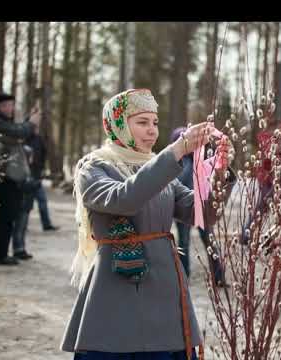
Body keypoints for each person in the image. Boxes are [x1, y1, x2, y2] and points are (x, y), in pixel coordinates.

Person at [61, 88, 234, 360]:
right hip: (114, 292)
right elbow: (125, 199)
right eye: (142, 122)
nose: (152, 130)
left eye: (154, 122)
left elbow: (200, 214)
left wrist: (221, 174)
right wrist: (175, 151)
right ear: (118, 125)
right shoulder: (93, 168)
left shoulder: (159, 167)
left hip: (164, 294)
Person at [169, 127, 226, 286]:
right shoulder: (181, 164)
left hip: (198, 206)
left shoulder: (195, 161)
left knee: (200, 241)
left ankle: (213, 276)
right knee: (190, 242)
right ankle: (187, 277)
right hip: (188, 208)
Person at [0, 92, 40, 265]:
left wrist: (29, 120)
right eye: (6, 106)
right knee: (6, 214)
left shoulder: (0, 121)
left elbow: (16, 131)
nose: (10, 109)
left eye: (11, 105)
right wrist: (31, 122)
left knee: (8, 213)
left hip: (6, 175)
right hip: (1, 175)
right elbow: (18, 132)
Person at [12, 126, 59, 259]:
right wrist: (35, 183)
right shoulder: (21, 169)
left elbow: (43, 153)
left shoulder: (37, 142)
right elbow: (23, 185)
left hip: (28, 196)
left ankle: (20, 248)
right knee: (19, 226)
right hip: (22, 201)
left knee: (22, 225)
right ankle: (18, 249)